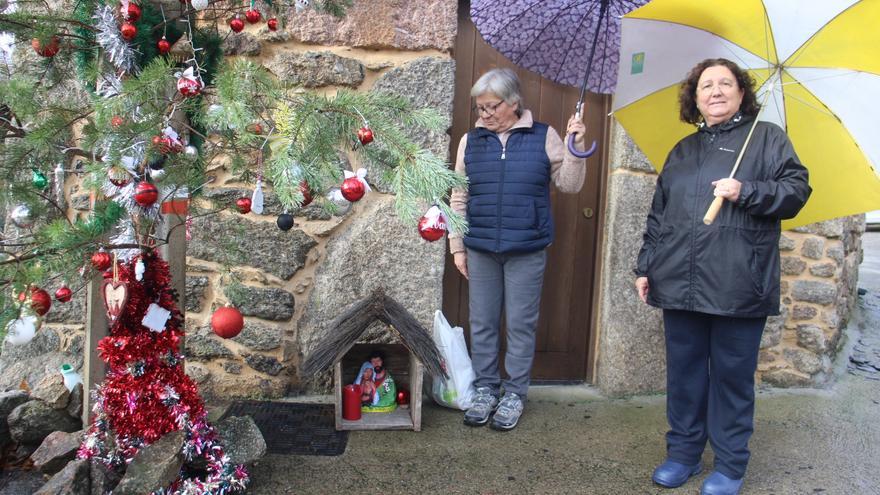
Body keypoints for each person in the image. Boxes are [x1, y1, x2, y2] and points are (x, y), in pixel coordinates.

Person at [635, 58, 811, 495]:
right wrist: (645, 266)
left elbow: (796, 191)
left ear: (741, 93)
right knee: (685, 375)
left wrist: (746, 191)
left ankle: (730, 466)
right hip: (678, 281)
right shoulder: (682, 151)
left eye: (725, 84)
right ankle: (683, 455)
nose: (715, 91)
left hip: (738, 284)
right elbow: (660, 216)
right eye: (705, 86)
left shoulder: (768, 139)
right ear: (694, 98)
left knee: (731, 379)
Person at [449, 68, 587, 431]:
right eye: (479, 108)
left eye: (491, 106)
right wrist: (456, 247)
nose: (484, 114)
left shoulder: (545, 136)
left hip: (526, 248)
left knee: (522, 326)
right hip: (480, 248)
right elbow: (459, 196)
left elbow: (570, 185)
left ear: (513, 103)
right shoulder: (471, 140)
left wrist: (575, 149)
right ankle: (485, 390)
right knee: (482, 324)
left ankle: (514, 394)